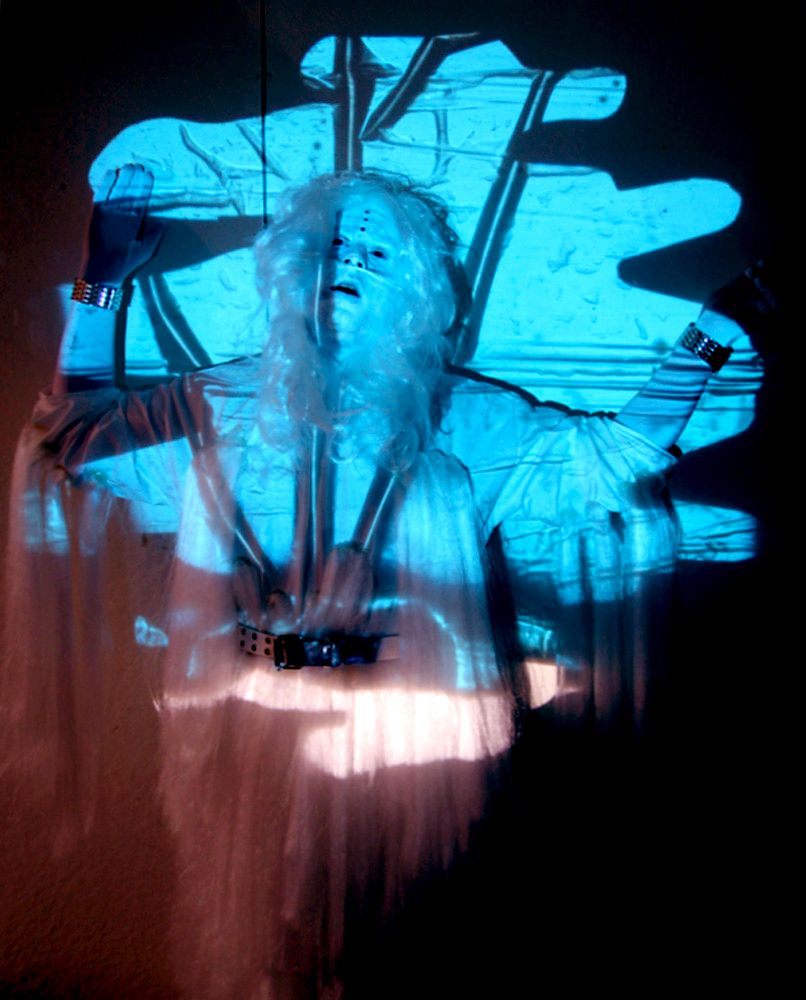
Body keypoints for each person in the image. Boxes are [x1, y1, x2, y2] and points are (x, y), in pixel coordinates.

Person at [5, 163, 754, 998]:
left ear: (415, 287)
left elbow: (611, 460)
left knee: (409, 949)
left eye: (375, 251)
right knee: (267, 955)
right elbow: (73, 445)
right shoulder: (217, 401)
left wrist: (710, 334)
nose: (349, 263)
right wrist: (101, 280)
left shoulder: (460, 415)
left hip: (420, 735)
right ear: (289, 262)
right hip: (252, 729)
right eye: (330, 245)